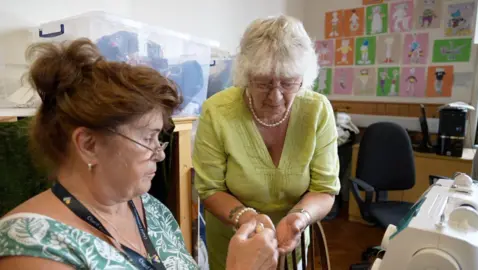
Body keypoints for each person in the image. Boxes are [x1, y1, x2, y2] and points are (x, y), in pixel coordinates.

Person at [0, 38, 278, 270]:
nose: (159, 154)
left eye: (160, 138)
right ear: (88, 144)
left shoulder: (151, 210)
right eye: (148, 138)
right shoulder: (32, 247)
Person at [193, 15, 341, 269]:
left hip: (291, 241)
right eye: (263, 83)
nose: (275, 96)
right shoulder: (217, 111)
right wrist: (248, 218)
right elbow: (210, 189)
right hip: (234, 244)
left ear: (304, 77)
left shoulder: (317, 110)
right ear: (245, 75)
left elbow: (324, 188)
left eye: (288, 82)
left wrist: (299, 218)